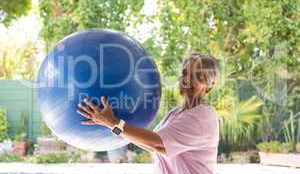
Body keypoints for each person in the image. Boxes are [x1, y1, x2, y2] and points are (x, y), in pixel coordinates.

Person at [76, 52, 220, 174]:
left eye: (198, 77)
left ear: (210, 85)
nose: (187, 79)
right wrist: (111, 125)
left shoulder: (202, 116)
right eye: (184, 73)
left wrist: (112, 123)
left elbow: (157, 144)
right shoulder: (176, 113)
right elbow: (151, 145)